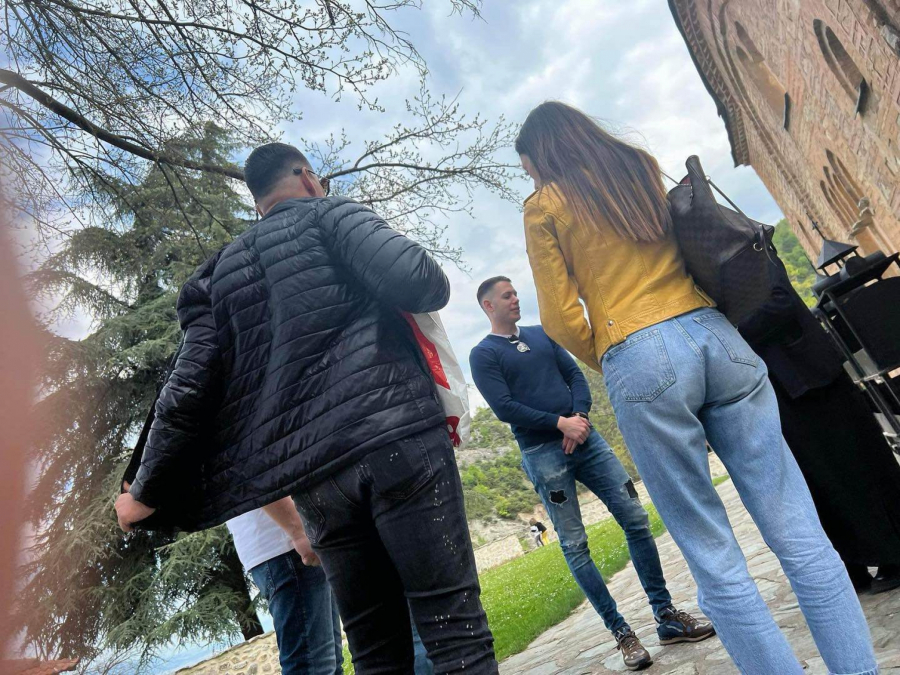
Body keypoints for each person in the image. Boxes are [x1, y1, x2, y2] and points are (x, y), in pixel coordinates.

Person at [515, 101, 877, 675]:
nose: (530, 176)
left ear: (540, 154)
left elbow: (559, 318)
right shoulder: (636, 165)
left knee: (715, 558)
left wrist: (611, 355)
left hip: (635, 346)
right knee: (802, 534)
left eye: (528, 166)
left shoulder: (544, 205)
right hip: (717, 336)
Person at [114, 143, 496, 673]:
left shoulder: (216, 277)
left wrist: (145, 489)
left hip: (316, 481)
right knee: (455, 630)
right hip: (397, 439)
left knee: (374, 650)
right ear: (309, 178)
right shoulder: (332, 214)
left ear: (258, 203)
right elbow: (422, 283)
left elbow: (186, 388)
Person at [470, 277, 715, 671]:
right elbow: (504, 407)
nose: (515, 299)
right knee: (575, 544)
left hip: (587, 440)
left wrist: (579, 418)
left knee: (636, 519)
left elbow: (575, 376)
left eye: (515, 293)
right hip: (543, 454)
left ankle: (666, 615)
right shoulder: (483, 354)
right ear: (487, 306)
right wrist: (559, 424)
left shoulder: (541, 334)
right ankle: (622, 633)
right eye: (507, 295)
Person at [737, 253, 900, 594]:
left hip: (812, 373)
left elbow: (781, 302)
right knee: (820, 479)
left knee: (857, 464)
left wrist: (735, 333)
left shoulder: (753, 249)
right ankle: (852, 562)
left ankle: (892, 553)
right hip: (777, 389)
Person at [227, 502, 343, 674]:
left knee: (328, 664)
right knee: (312, 666)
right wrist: (298, 531)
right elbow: (258, 484)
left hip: (286, 543)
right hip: (286, 546)